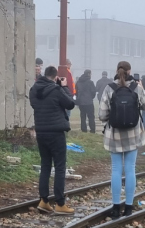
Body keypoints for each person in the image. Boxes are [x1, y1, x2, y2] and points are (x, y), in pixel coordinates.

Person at [98, 60, 145, 219]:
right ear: (129, 71)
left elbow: (102, 115)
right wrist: (141, 88)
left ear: (117, 70)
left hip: (114, 135)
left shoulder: (109, 88)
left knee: (115, 169)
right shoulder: (137, 88)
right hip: (133, 134)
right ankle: (128, 207)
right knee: (130, 169)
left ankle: (115, 208)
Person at [30, 66, 76, 215]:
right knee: (60, 167)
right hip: (56, 132)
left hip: (41, 132)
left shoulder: (34, 90)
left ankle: (44, 201)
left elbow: (34, 104)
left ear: (45, 74)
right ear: (55, 77)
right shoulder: (57, 90)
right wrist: (64, 87)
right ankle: (60, 203)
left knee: (45, 166)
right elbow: (70, 103)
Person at [75, 69, 97, 133]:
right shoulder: (90, 82)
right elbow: (93, 91)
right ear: (89, 74)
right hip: (89, 101)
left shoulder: (78, 82)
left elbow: (76, 92)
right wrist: (91, 97)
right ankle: (92, 130)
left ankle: (83, 129)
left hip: (81, 102)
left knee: (82, 116)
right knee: (91, 116)